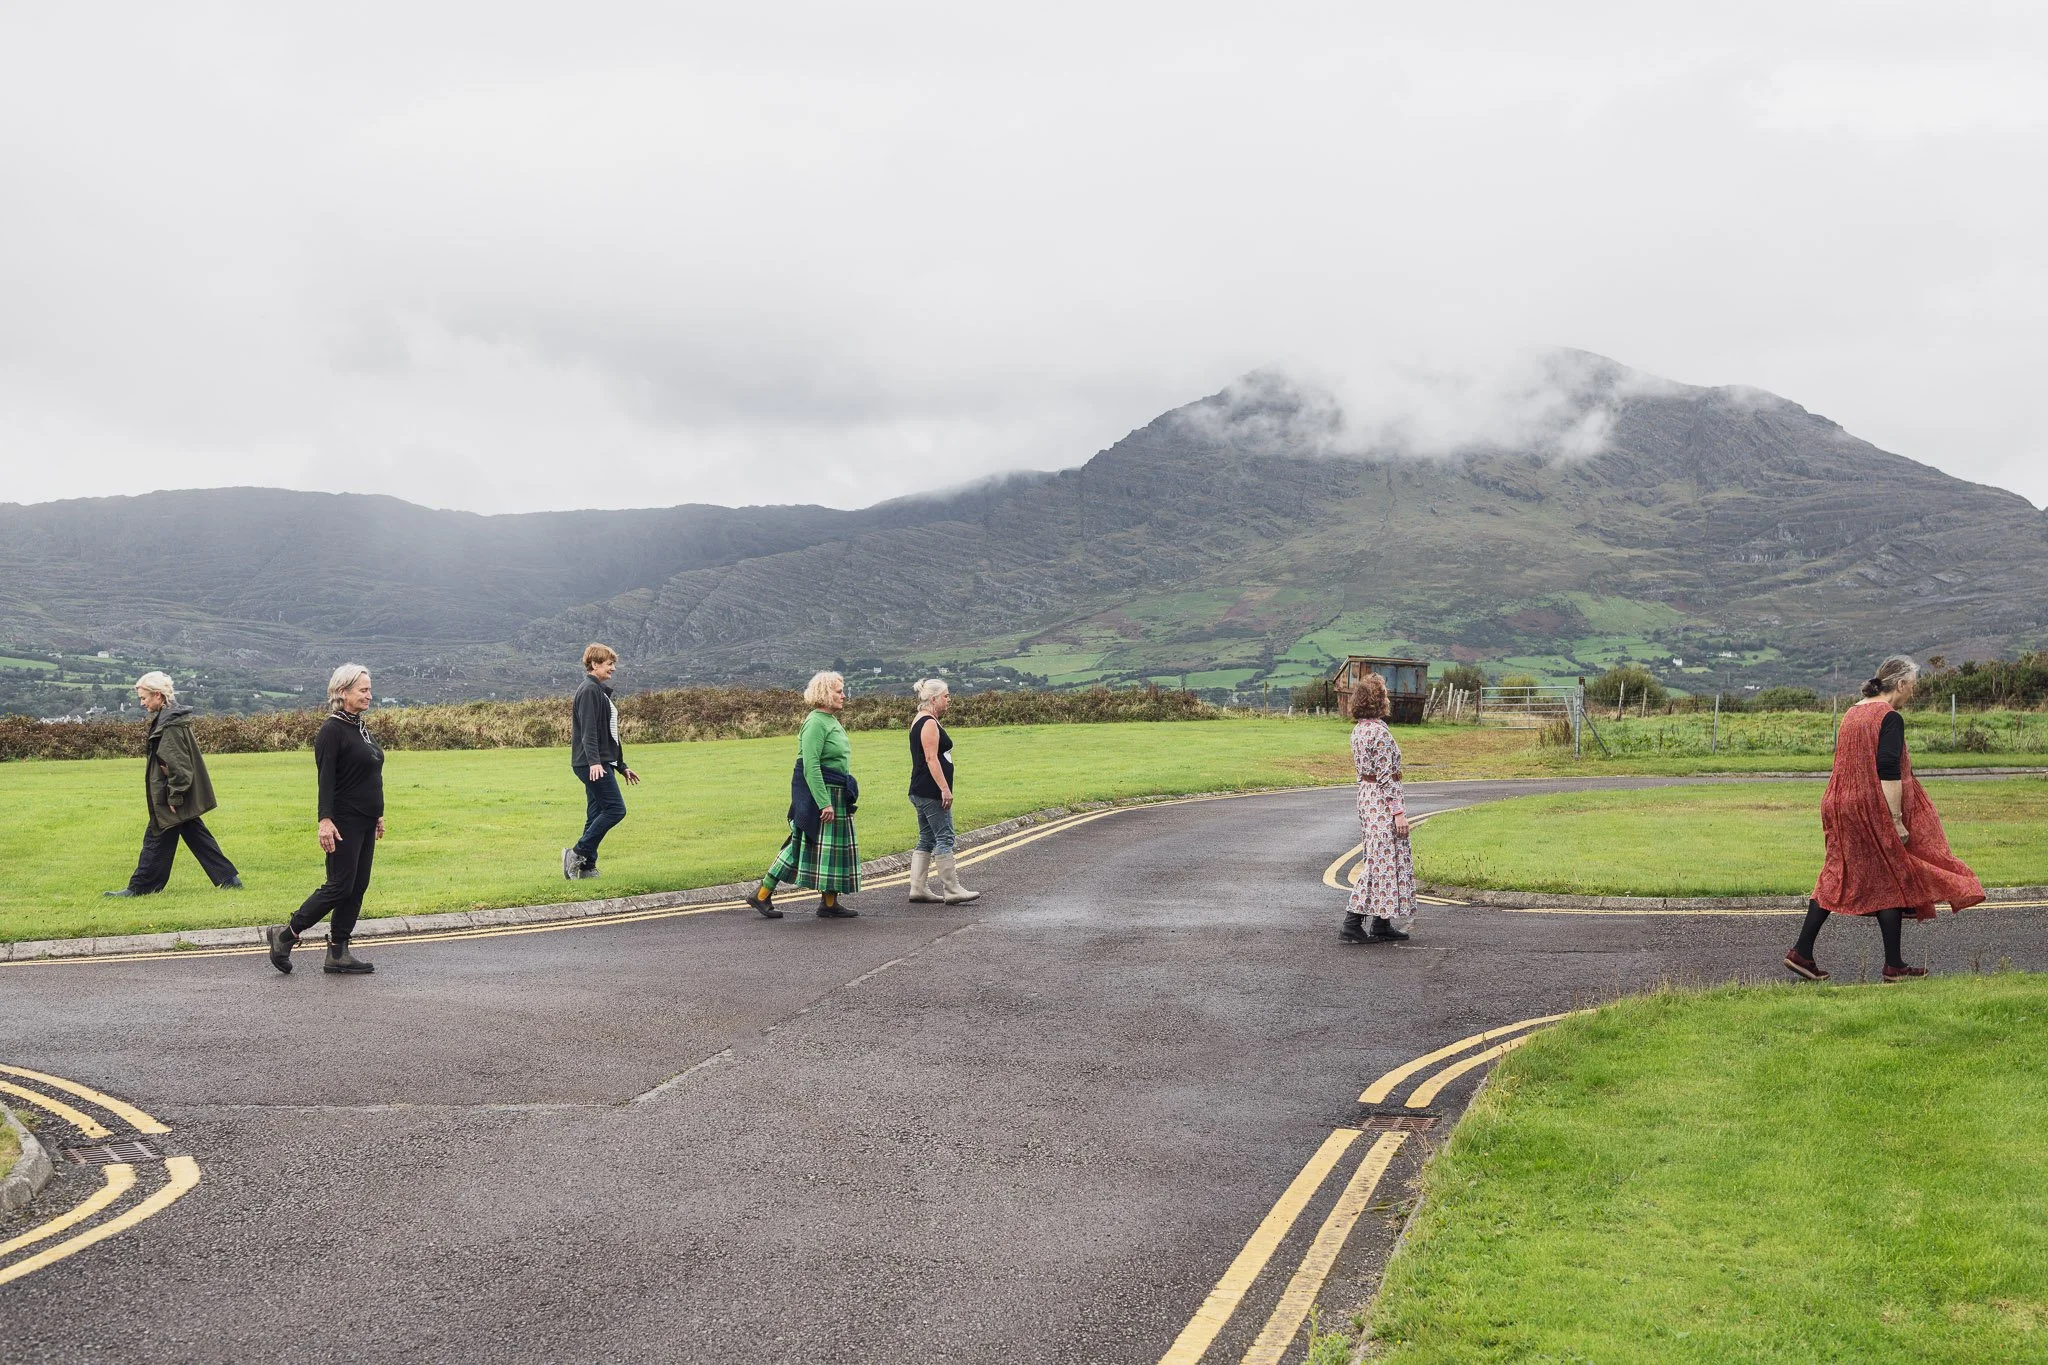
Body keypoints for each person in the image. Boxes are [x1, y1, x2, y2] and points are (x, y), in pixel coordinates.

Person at [1786, 655, 1984, 982]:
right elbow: (1888, 770)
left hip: (1838, 802)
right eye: (1913, 687)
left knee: (1853, 874)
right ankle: (1877, 963)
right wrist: (1895, 819)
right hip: (1869, 805)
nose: (1913, 694)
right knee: (1884, 875)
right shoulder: (1888, 717)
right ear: (1901, 684)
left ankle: (1812, 954)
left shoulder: (1853, 711)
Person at [266, 664, 385, 975]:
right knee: (339, 885)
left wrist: (378, 814)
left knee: (358, 886)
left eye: (369, 689)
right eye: (363, 690)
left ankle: (338, 951)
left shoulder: (360, 727)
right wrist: (325, 821)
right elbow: (326, 781)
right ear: (342, 692)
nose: (369, 695)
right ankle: (285, 935)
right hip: (342, 820)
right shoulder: (332, 730)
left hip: (364, 819)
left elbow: (368, 774)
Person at [103, 672, 243, 897]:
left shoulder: (170, 724)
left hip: (171, 793)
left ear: (158, 695)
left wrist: (175, 796)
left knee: (157, 834)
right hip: (171, 791)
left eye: (144, 698)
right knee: (194, 833)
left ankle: (140, 888)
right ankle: (229, 879)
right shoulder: (170, 718)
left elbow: (178, 765)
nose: (142, 703)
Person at [744, 671, 862, 920]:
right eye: (838, 691)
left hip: (836, 791)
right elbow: (810, 765)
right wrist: (824, 802)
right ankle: (762, 894)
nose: (843, 695)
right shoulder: (816, 722)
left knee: (831, 849)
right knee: (801, 843)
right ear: (823, 694)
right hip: (820, 793)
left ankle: (829, 903)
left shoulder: (830, 720)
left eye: (842, 690)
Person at [1341, 672, 1417, 943]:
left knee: (1382, 857)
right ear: (1377, 700)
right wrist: (1398, 813)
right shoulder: (1379, 733)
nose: (1387, 697)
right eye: (1383, 693)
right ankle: (1352, 921)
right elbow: (1386, 777)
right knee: (1380, 861)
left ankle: (1381, 922)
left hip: (1366, 796)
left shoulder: (1359, 729)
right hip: (1382, 801)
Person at [564, 643, 640, 880]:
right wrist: (595, 762)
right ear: (594, 664)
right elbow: (589, 732)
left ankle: (586, 868)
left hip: (599, 762)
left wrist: (621, 765)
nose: (613, 668)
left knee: (595, 813)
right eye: (609, 664)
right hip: (590, 764)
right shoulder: (589, 691)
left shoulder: (597, 690)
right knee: (616, 809)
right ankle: (576, 853)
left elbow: (609, 734)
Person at [906, 678, 978, 904]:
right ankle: (952, 889)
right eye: (946, 696)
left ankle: (918, 888)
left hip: (919, 788)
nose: (949, 700)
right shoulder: (928, 723)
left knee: (926, 837)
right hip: (930, 790)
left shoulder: (921, 719)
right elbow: (930, 758)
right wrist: (944, 789)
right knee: (944, 836)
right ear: (934, 699)